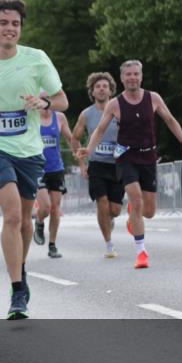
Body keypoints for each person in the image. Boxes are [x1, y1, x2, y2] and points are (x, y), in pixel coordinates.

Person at [0, 0, 67, 319]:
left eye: (15, 24)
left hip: (29, 150)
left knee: (24, 219)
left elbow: (62, 100)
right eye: (4, 23)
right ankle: (17, 291)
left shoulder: (37, 59)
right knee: (12, 214)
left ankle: (20, 267)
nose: (10, 28)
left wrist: (45, 104)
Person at [79, 60, 182, 269]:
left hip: (148, 157)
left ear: (141, 76)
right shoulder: (115, 104)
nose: (132, 78)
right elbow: (100, 129)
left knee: (148, 211)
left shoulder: (153, 98)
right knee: (135, 197)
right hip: (126, 157)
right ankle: (141, 252)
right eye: (128, 74)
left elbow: (170, 120)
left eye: (135, 74)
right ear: (122, 78)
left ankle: (134, 215)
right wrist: (89, 149)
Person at [71, 72, 124, 258]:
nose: (101, 89)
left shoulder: (120, 110)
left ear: (111, 91)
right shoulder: (86, 114)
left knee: (114, 210)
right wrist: (82, 163)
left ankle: (109, 219)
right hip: (97, 164)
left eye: (105, 86)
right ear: (92, 92)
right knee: (102, 202)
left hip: (117, 164)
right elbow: (75, 138)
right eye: (98, 87)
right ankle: (109, 245)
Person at [32, 100, 76, 259]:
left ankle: (52, 245)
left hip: (56, 169)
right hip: (38, 169)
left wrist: (77, 152)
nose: (44, 102)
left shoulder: (59, 117)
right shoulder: (32, 117)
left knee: (55, 208)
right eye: (41, 98)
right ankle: (39, 221)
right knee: (45, 207)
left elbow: (70, 138)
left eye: (47, 98)